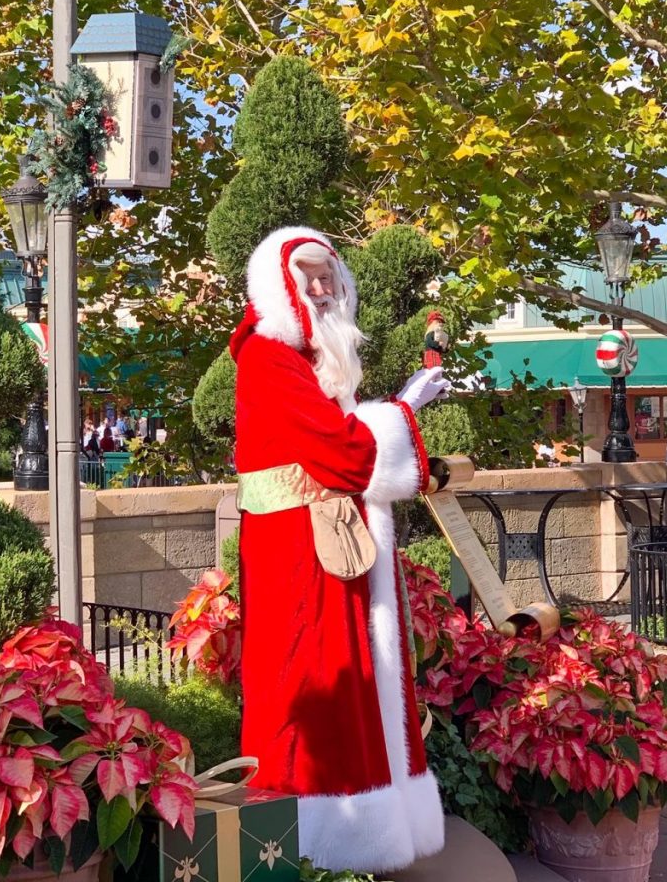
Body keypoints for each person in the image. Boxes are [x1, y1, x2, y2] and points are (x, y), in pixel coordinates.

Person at [231, 225, 450, 872]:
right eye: (308, 277)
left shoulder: (304, 358)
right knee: (318, 679)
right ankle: (321, 839)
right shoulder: (269, 355)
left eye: (329, 274)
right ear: (281, 285)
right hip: (299, 555)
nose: (323, 288)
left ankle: (357, 834)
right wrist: (404, 406)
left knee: (344, 676)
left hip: (321, 543)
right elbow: (347, 453)